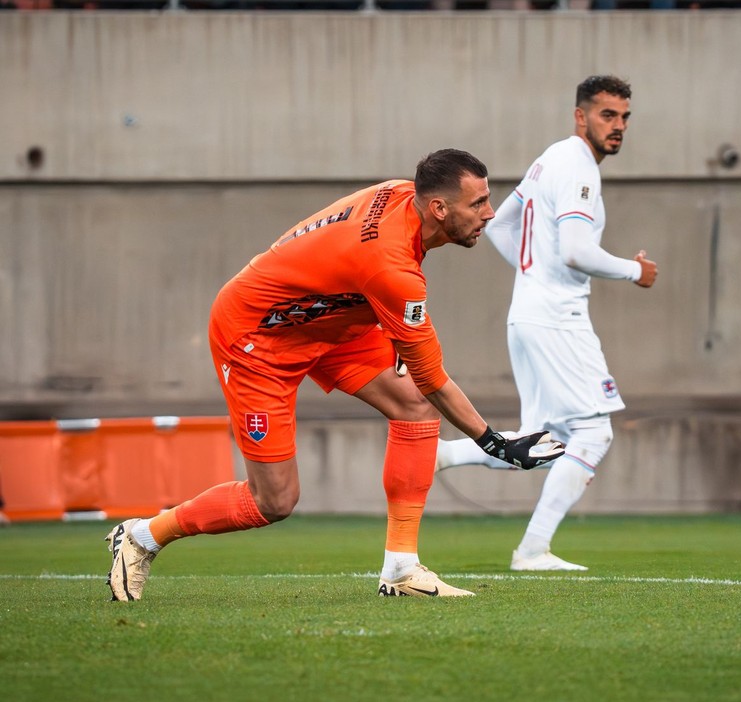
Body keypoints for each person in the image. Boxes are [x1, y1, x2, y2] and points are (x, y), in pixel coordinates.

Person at [105, 149, 564, 602]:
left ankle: (401, 568)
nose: (490, 212)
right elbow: (433, 376)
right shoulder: (393, 265)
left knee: (413, 405)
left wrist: (393, 333)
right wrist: (495, 443)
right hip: (257, 336)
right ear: (439, 208)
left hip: (329, 321)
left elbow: (346, 265)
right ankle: (143, 536)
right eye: (478, 203)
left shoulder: (404, 197)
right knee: (275, 502)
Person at [435, 76, 658, 572]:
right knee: (593, 434)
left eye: (624, 117)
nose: (617, 126)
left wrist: (533, 270)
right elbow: (577, 251)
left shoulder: (549, 158)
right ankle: (533, 550)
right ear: (581, 116)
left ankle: (446, 456)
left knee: (543, 439)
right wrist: (634, 271)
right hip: (557, 318)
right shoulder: (577, 165)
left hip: (530, 312)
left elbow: (499, 222)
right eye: (607, 115)